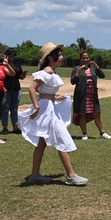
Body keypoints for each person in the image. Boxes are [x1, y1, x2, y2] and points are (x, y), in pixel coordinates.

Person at [19, 42, 89, 186]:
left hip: (49, 107)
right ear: (51, 57)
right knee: (62, 138)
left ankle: (34, 175)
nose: (62, 57)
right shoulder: (48, 71)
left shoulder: (51, 71)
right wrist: (37, 107)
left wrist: (56, 98)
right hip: (47, 110)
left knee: (42, 143)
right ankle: (71, 175)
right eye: (59, 55)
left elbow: (41, 91)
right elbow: (32, 88)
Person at [71, 51, 111, 140]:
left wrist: (97, 67)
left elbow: (102, 75)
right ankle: (84, 134)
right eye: (83, 58)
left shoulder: (93, 68)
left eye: (87, 58)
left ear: (89, 58)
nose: (85, 59)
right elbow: (72, 81)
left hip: (92, 95)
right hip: (81, 95)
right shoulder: (76, 68)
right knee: (82, 114)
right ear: (80, 59)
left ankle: (102, 133)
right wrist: (79, 72)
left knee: (97, 114)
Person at [1, 48, 25, 134]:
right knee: (5, 109)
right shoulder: (2, 64)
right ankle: (5, 127)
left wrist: (23, 75)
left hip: (16, 88)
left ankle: (15, 127)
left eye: (13, 56)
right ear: (6, 56)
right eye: (10, 56)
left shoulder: (17, 64)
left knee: (14, 109)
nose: (12, 58)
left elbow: (19, 76)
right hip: (6, 89)